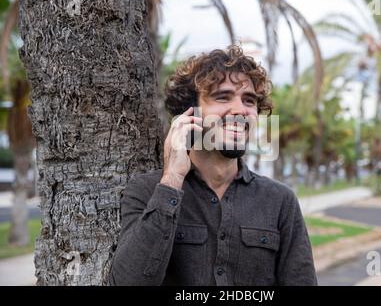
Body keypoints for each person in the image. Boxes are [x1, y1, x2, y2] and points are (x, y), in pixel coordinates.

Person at [108, 45, 317, 286]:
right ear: (190, 112)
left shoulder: (280, 201)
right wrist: (173, 179)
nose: (240, 110)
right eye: (222, 97)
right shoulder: (146, 191)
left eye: (249, 101)